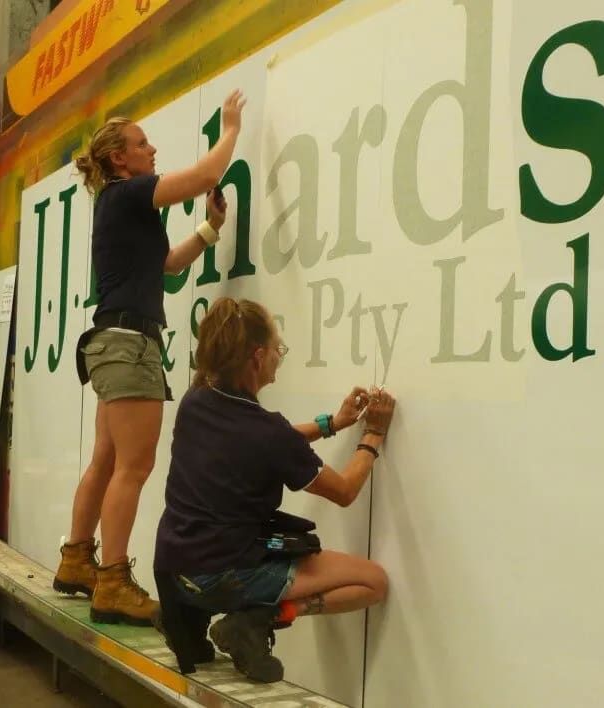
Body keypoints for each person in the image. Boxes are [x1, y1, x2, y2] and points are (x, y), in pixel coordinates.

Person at [52, 91, 247, 627]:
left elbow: (163, 265)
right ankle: (111, 580)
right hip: (129, 345)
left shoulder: (117, 205)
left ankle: (76, 560)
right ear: (121, 159)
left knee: (107, 461)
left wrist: (209, 230)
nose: (152, 148)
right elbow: (206, 173)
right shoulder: (130, 193)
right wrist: (230, 128)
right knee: (133, 469)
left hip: (111, 342)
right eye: (142, 144)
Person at [154, 297, 395, 681]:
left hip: (172, 565)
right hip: (222, 574)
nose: (279, 358)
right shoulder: (266, 433)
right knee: (373, 582)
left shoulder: (196, 400)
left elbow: (263, 443)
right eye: (278, 350)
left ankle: (189, 619)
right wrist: (373, 435)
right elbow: (346, 490)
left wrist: (332, 423)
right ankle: (261, 616)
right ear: (258, 357)